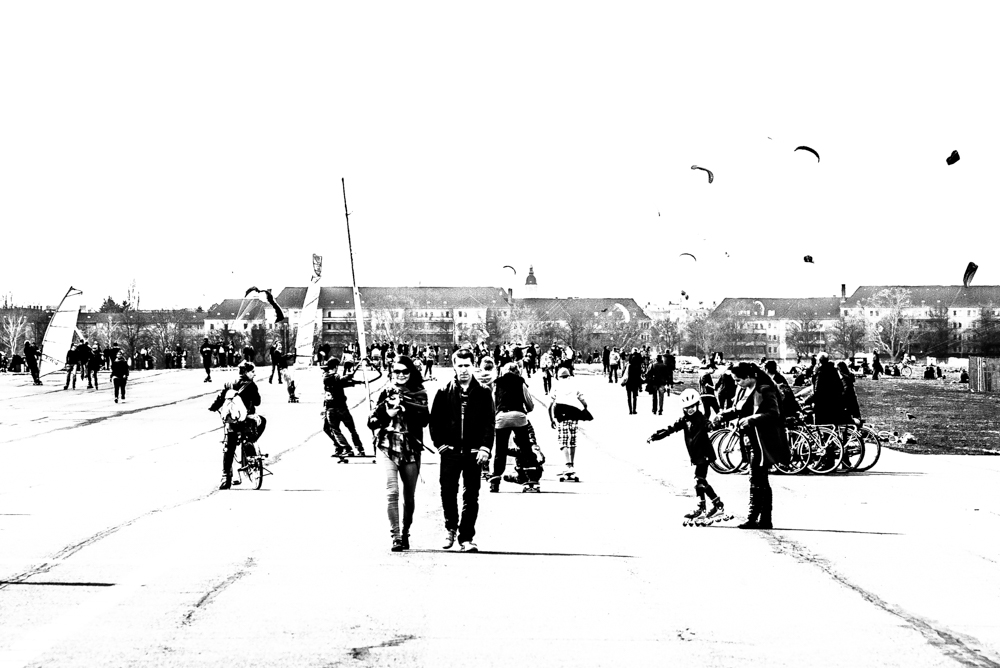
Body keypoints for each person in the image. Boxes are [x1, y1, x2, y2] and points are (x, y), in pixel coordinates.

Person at [429, 348, 494, 552]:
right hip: (451, 452)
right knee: (448, 492)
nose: (464, 370)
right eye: (460, 366)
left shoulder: (483, 392)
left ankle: (466, 537)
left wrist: (485, 447)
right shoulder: (443, 391)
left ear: (473, 366)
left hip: (474, 453)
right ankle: (450, 528)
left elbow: (489, 423)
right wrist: (441, 446)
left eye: (467, 365)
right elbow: (434, 422)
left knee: (471, 495)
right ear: (454, 366)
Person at [712, 363, 789, 530]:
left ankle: (752, 517)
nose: (737, 383)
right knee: (762, 480)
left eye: (739, 380)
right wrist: (722, 415)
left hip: (762, 442)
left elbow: (773, 413)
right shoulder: (743, 390)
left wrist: (752, 419)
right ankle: (765, 519)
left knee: (756, 479)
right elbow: (737, 409)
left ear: (749, 377)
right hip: (750, 440)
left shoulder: (764, 390)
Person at [368, 355, 428, 552]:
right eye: (397, 371)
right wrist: (388, 414)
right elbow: (372, 421)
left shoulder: (419, 392)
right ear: (391, 372)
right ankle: (396, 535)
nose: (401, 375)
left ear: (411, 373)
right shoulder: (385, 392)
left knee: (408, 497)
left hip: (410, 446)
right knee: (392, 491)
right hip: (388, 445)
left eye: (405, 371)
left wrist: (404, 406)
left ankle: (405, 530)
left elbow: (425, 418)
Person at [648, 389, 730, 526]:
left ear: (697, 405)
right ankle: (712, 505)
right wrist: (656, 436)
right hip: (696, 456)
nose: (690, 410)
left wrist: (716, 423)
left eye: (692, 407)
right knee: (700, 481)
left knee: (699, 480)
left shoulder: (701, 418)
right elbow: (671, 429)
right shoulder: (684, 420)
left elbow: (709, 426)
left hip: (704, 454)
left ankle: (710, 507)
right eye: (687, 408)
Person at [208, 361, 262, 490]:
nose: (254, 374)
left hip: (232, 422)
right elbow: (258, 402)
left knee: (229, 447)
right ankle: (251, 444)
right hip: (247, 421)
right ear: (246, 372)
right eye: (252, 371)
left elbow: (220, 398)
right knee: (261, 423)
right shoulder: (251, 385)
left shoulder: (229, 384)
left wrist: (213, 407)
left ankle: (225, 476)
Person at [488, 363, 542, 493]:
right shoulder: (520, 382)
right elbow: (529, 403)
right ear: (517, 371)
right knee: (525, 447)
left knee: (500, 450)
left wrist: (496, 414)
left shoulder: (497, 383)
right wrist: (526, 411)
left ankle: (495, 480)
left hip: (502, 417)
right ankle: (532, 480)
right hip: (518, 416)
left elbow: (493, 402)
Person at [322, 357, 371, 459]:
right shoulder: (330, 378)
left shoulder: (332, 378)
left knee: (342, 429)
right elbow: (339, 381)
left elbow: (342, 382)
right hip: (334, 408)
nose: (325, 372)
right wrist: (350, 376)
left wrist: (357, 382)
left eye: (326, 370)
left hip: (335, 409)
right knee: (330, 429)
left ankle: (349, 448)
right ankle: (343, 447)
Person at [549, 366, 588, 482]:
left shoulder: (556, 386)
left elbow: (550, 405)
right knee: (572, 440)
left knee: (563, 440)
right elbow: (583, 401)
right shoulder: (574, 385)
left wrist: (551, 419)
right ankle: (572, 465)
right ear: (569, 376)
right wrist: (584, 409)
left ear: (558, 376)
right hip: (574, 415)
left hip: (561, 415)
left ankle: (567, 465)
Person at [802, 353, 845, 425]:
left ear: (819, 361)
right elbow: (840, 387)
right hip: (835, 404)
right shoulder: (834, 371)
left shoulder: (821, 373)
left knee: (822, 427)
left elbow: (817, 392)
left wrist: (806, 401)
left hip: (822, 406)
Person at [622, 348, 644, 415]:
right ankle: (634, 410)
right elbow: (640, 375)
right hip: (635, 382)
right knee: (634, 397)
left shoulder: (628, 366)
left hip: (628, 382)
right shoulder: (638, 367)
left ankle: (630, 410)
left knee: (629, 397)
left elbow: (624, 374)